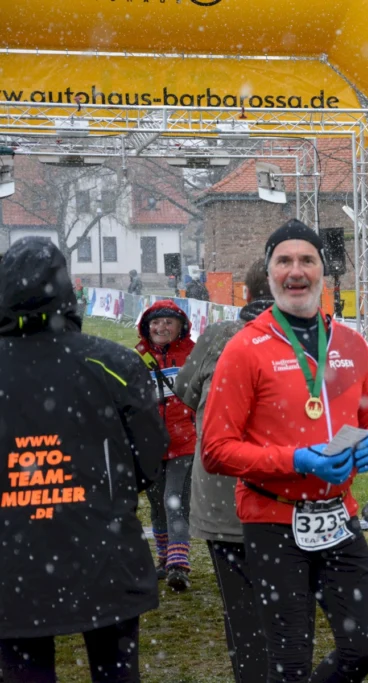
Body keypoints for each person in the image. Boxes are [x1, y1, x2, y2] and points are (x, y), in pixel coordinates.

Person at [202, 219, 368, 683]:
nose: (296, 270)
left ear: (322, 272)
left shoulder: (350, 344)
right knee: (290, 659)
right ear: (269, 274)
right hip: (273, 519)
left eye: (306, 260)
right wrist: (296, 460)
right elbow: (215, 449)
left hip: (337, 516)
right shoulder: (245, 348)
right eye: (283, 261)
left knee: (366, 644)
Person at [0, 237, 168, 683]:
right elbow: (150, 458)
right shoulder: (111, 362)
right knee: (115, 672)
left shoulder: (111, 363)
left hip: (13, 564)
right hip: (102, 554)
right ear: (67, 289)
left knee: (24, 672)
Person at [173, 259, 275, 683]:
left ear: (245, 294)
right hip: (281, 494)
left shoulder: (219, 337)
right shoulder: (310, 338)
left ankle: (253, 671)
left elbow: (183, 389)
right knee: (282, 604)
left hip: (225, 493)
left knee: (242, 607)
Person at [135, 298, 197, 591]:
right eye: (155, 323)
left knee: (175, 503)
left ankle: (178, 565)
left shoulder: (194, 355)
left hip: (185, 444)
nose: (161, 327)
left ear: (180, 327)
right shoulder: (136, 358)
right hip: (151, 446)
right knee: (157, 506)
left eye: (168, 322)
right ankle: (164, 560)